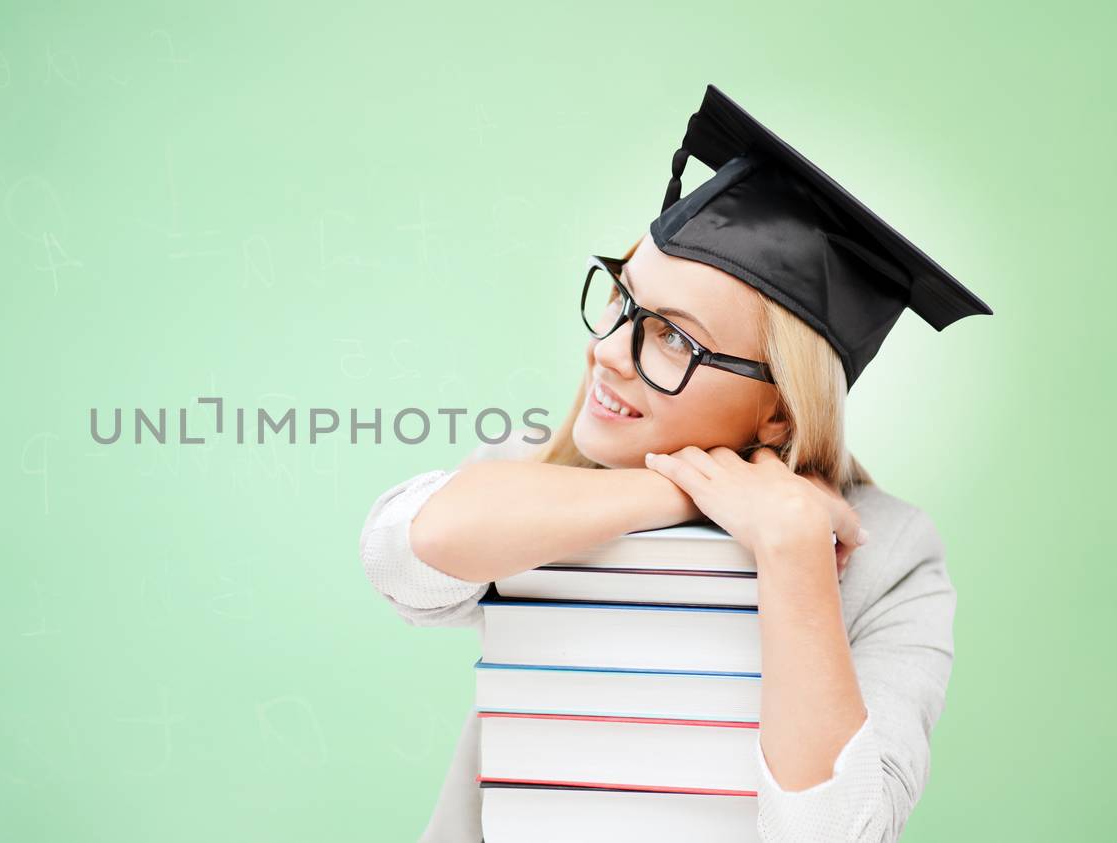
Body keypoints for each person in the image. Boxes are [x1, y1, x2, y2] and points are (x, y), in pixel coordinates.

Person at [359, 85, 991, 842]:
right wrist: (676, 488)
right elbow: (402, 555)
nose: (605, 351)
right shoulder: (543, 477)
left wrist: (791, 547)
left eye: (671, 339)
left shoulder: (890, 556)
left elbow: (837, 831)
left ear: (782, 411)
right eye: (623, 301)